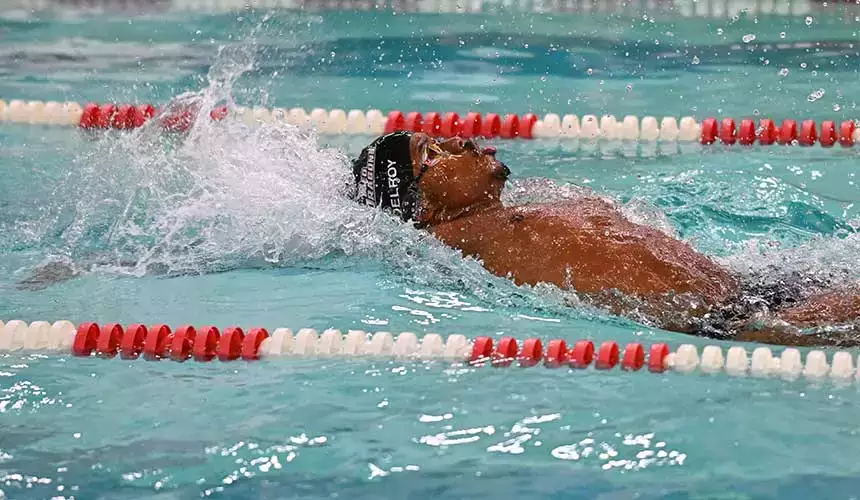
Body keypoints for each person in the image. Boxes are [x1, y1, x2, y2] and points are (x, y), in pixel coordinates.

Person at [347, 131, 860, 347]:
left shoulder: (526, 206)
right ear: (424, 205)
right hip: (739, 326)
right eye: (432, 154)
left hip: (752, 286)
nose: (456, 139)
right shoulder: (469, 256)